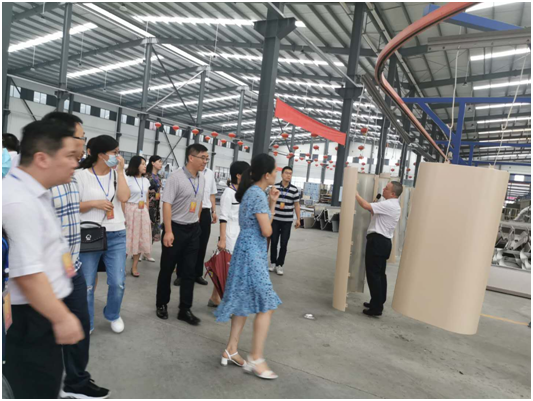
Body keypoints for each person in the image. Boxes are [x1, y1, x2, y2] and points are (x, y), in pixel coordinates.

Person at [2, 120, 84, 398]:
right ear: (42, 159)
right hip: (31, 318)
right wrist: (62, 318)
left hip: (42, 309)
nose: (75, 163)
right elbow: (27, 274)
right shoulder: (20, 202)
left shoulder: (36, 190)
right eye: (69, 156)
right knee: (36, 385)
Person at [44, 112, 110, 399]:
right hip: (46, 273)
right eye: (81, 137)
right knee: (45, 335)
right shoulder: (41, 179)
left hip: (73, 265)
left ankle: (75, 382)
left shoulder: (72, 174)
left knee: (80, 326)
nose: (84, 143)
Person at [215, 154, 282, 380]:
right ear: (267, 174)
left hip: (245, 249)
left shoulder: (252, 192)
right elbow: (267, 230)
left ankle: (231, 349)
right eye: (275, 171)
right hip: (253, 252)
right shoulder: (257, 194)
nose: (277, 174)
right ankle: (256, 357)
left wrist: (272, 203)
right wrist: (270, 207)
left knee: (243, 300)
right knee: (267, 304)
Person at [76, 135, 130, 334]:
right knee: (87, 284)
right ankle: (87, 321)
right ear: (101, 155)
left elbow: (124, 197)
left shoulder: (117, 175)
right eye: (115, 152)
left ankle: (113, 314)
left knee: (118, 282)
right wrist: (94, 204)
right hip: (89, 234)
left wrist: (121, 172)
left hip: (116, 234)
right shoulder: (81, 175)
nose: (118, 156)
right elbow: (73, 206)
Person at [156, 144, 208, 325]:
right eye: (203, 158)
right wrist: (168, 231)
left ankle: (185, 309)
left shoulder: (202, 178)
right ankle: (161, 303)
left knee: (189, 271)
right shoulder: (175, 177)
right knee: (167, 268)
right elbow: (167, 204)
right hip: (175, 228)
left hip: (193, 229)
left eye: (207, 158)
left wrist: (197, 222)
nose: (205, 161)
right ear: (191, 158)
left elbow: (199, 201)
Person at [356, 181, 402, 317]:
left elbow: (365, 205)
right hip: (384, 242)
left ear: (393, 193)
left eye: (386, 188)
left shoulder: (389, 204)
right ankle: (377, 301)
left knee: (374, 275)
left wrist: (355, 194)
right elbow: (372, 211)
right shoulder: (393, 205)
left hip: (377, 241)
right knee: (380, 274)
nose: (383, 189)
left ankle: (376, 308)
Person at [208, 160, 250, 307]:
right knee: (230, 270)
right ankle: (228, 303)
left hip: (241, 233)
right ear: (238, 175)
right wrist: (223, 239)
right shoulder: (228, 193)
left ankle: (215, 297)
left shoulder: (243, 192)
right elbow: (223, 217)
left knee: (228, 269)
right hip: (230, 235)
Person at [269, 166, 301, 276]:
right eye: (286, 173)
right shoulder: (275, 187)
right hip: (275, 220)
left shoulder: (294, 190)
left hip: (287, 221)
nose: (288, 175)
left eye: (290, 173)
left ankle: (280, 265)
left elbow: (296, 205)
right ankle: (273, 262)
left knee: (284, 243)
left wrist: (298, 219)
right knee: (273, 242)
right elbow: (270, 202)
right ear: (282, 174)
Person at [125, 156, 152, 278]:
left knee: (141, 239)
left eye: (145, 164)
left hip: (143, 211)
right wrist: (123, 215)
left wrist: (147, 211)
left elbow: (146, 198)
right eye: (142, 164)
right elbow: (123, 199)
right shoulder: (127, 179)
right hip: (130, 210)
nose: (145, 166)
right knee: (128, 239)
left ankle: (134, 266)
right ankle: (121, 266)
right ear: (135, 165)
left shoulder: (146, 181)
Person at [144, 155, 164, 261]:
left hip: (156, 206)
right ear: (152, 163)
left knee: (153, 229)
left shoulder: (159, 177)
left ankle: (147, 252)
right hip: (147, 205)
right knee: (144, 228)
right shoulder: (146, 176)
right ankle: (138, 252)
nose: (161, 164)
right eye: (159, 161)